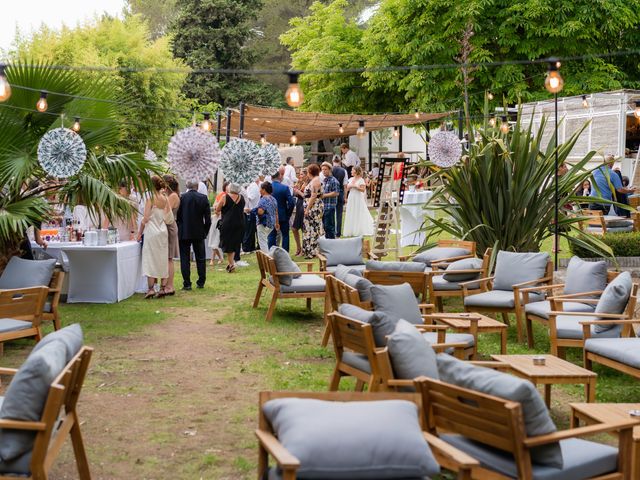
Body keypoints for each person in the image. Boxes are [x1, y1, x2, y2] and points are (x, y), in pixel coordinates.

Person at [137, 175, 170, 299]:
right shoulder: (164, 198)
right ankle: (162, 288)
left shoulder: (150, 198)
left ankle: (150, 289)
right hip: (162, 230)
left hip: (151, 230)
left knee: (150, 259)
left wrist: (139, 232)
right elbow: (167, 216)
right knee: (162, 258)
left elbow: (145, 218)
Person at [176, 180, 211, 290]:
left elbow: (178, 216)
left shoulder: (181, 197)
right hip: (199, 231)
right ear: (197, 186)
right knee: (200, 258)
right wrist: (205, 231)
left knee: (185, 258)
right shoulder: (203, 198)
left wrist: (179, 228)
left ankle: (187, 283)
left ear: (187, 186)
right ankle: (201, 281)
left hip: (184, 231)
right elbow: (208, 219)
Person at [217, 183, 245, 272]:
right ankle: (230, 264)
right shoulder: (242, 198)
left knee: (229, 245)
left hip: (228, 223)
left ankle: (232, 265)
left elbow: (217, 209)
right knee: (234, 244)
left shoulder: (225, 197)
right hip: (240, 223)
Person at [162, 175, 180, 296]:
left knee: (169, 258)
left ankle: (170, 285)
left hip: (170, 226)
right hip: (167, 226)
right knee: (166, 258)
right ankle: (166, 284)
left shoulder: (173, 196)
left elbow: (164, 210)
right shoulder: (171, 195)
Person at [268, 169, 295, 251]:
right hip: (283, 214)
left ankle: (271, 254)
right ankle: (285, 254)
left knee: (271, 235)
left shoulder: (267, 188)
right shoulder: (284, 188)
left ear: (271, 178)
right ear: (279, 176)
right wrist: (288, 213)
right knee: (285, 235)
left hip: (271, 215)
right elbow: (291, 202)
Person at [343, 166, 374, 237]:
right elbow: (347, 188)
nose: (351, 171)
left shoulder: (361, 180)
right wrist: (349, 188)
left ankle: (359, 229)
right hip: (351, 196)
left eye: (352, 170)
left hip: (358, 197)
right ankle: (351, 230)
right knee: (351, 211)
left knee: (358, 211)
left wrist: (356, 187)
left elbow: (363, 190)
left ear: (356, 171)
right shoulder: (350, 179)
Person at [302, 164, 324, 259]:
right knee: (312, 227)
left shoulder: (315, 181)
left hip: (313, 207)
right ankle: (311, 249)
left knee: (312, 227)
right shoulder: (315, 180)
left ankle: (313, 250)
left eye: (307, 171)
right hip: (314, 206)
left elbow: (314, 195)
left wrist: (307, 209)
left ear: (310, 172)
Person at [208, 182, 228, 266]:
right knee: (214, 238)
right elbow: (215, 206)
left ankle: (214, 259)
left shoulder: (228, 196)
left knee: (215, 240)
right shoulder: (222, 195)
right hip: (217, 219)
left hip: (221, 219)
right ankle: (218, 258)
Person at [254, 182, 278, 252]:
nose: (259, 190)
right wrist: (277, 222)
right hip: (271, 223)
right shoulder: (273, 199)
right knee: (265, 240)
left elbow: (260, 211)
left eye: (260, 189)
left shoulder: (263, 200)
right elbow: (276, 212)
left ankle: (267, 258)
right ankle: (268, 256)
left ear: (264, 190)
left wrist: (253, 210)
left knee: (262, 242)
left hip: (263, 223)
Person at [320, 162, 340, 239]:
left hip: (330, 206)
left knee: (329, 227)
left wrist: (324, 195)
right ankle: (328, 243)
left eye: (325, 169)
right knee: (325, 226)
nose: (323, 171)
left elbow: (336, 193)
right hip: (324, 206)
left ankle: (332, 243)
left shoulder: (333, 180)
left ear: (330, 170)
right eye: (322, 170)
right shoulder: (325, 180)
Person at [243, 176, 261, 254]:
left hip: (251, 210)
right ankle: (251, 247)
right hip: (251, 210)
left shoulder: (253, 186)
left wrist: (243, 195)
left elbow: (250, 197)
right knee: (250, 230)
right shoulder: (252, 186)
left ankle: (247, 248)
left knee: (249, 231)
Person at [291, 168, 307, 256]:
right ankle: (298, 248)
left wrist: (298, 192)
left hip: (304, 206)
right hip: (299, 205)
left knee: (303, 229)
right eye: (300, 174)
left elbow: (307, 196)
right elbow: (296, 195)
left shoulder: (308, 184)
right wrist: (295, 191)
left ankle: (303, 250)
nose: (300, 176)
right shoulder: (300, 183)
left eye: (302, 174)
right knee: (294, 229)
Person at [332, 157, 348, 237]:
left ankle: (331, 231)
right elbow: (345, 186)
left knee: (331, 213)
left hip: (331, 193)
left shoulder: (330, 169)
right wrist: (345, 197)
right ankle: (338, 232)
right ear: (340, 161)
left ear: (333, 161)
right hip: (340, 192)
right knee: (339, 214)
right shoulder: (344, 171)